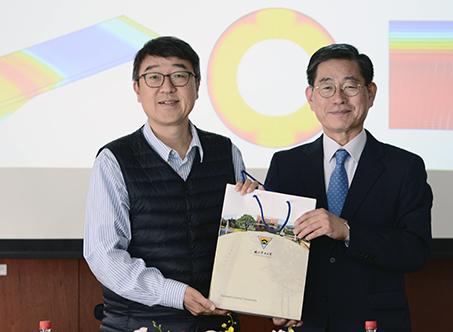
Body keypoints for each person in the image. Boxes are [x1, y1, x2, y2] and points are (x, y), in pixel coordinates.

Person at [84, 36, 256, 332]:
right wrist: (175, 294)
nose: (167, 87)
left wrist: (259, 212)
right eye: (153, 77)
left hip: (215, 323)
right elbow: (103, 255)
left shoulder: (226, 152)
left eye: (179, 75)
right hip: (138, 324)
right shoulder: (114, 160)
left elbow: (247, 239)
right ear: (137, 89)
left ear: (197, 85)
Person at [265, 44, 433, 332]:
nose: (338, 98)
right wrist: (273, 305)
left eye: (350, 86)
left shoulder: (404, 167)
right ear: (311, 97)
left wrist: (347, 231)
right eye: (326, 87)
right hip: (307, 321)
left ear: (370, 93)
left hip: (375, 322)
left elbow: (415, 251)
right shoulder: (286, 165)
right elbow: (273, 250)